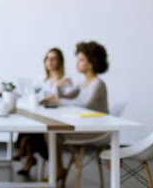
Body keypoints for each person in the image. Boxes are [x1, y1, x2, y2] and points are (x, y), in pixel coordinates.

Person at [43, 41, 110, 182]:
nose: (77, 63)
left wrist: (59, 101)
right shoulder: (81, 83)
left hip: (97, 130)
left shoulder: (98, 84)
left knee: (52, 133)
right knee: (51, 132)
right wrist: (58, 87)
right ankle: (58, 170)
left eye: (81, 60)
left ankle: (57, 172)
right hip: (85, 125)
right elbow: (64, 97)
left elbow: (85, 104)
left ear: (91, 63)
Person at [14, 48, 72, 176]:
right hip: (43, 114)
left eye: (53, 59)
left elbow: (63, 100)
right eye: (47, 58)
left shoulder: (65, 80)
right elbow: (31, 94)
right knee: (29, 125)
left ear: (60, 61)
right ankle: (26, 154)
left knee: (34, 131)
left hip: (56, 118)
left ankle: (25, 153)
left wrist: (55, 91)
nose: (49, 62)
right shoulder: (42, 80)